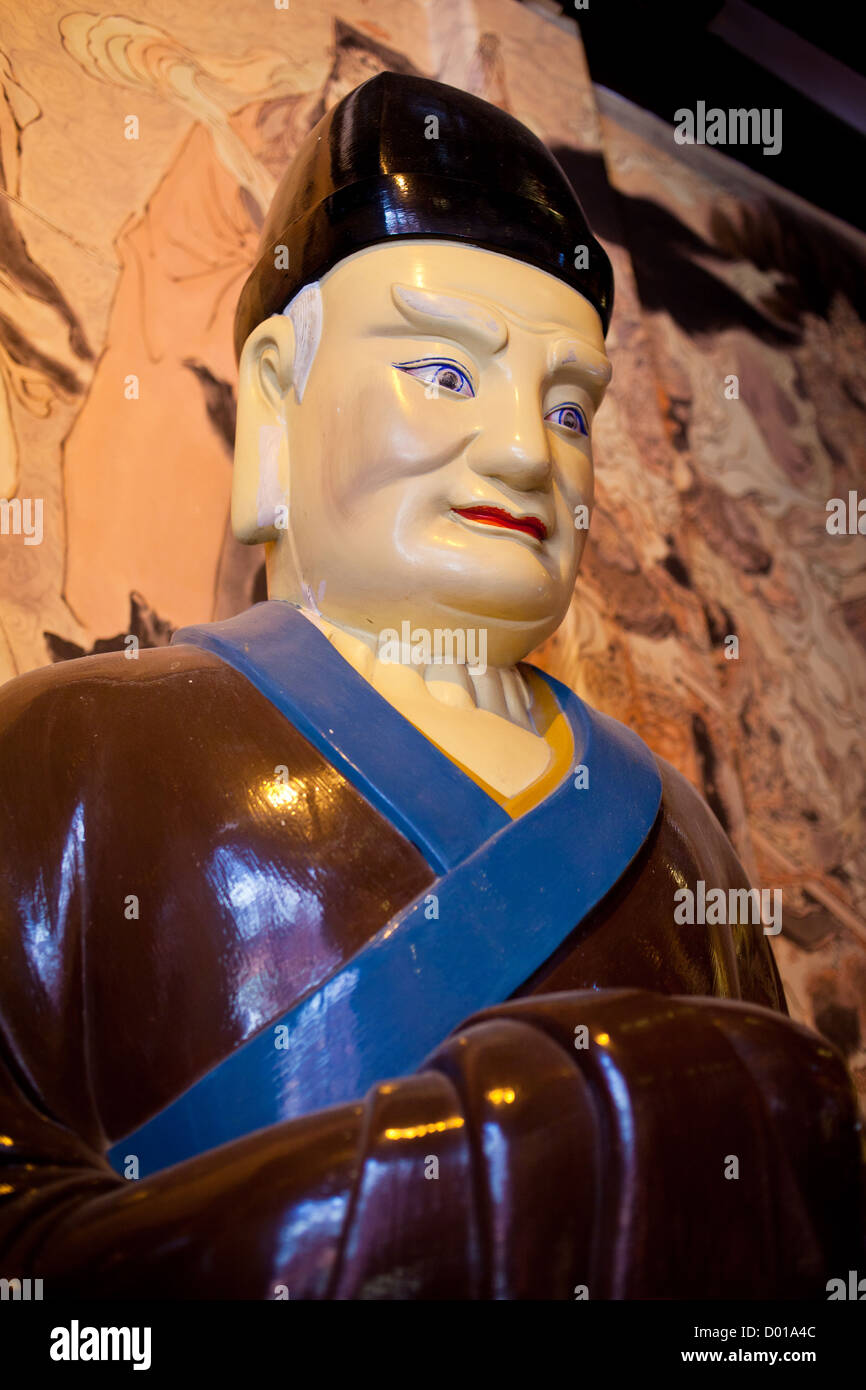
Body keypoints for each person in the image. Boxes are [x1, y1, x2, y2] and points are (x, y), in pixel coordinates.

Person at [0, 72, 860, 1300]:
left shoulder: (682, 836)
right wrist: (484, 1175)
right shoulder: (65, 753)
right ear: (274, 400)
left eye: (567, 405)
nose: (526, 448)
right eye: (446, 374)